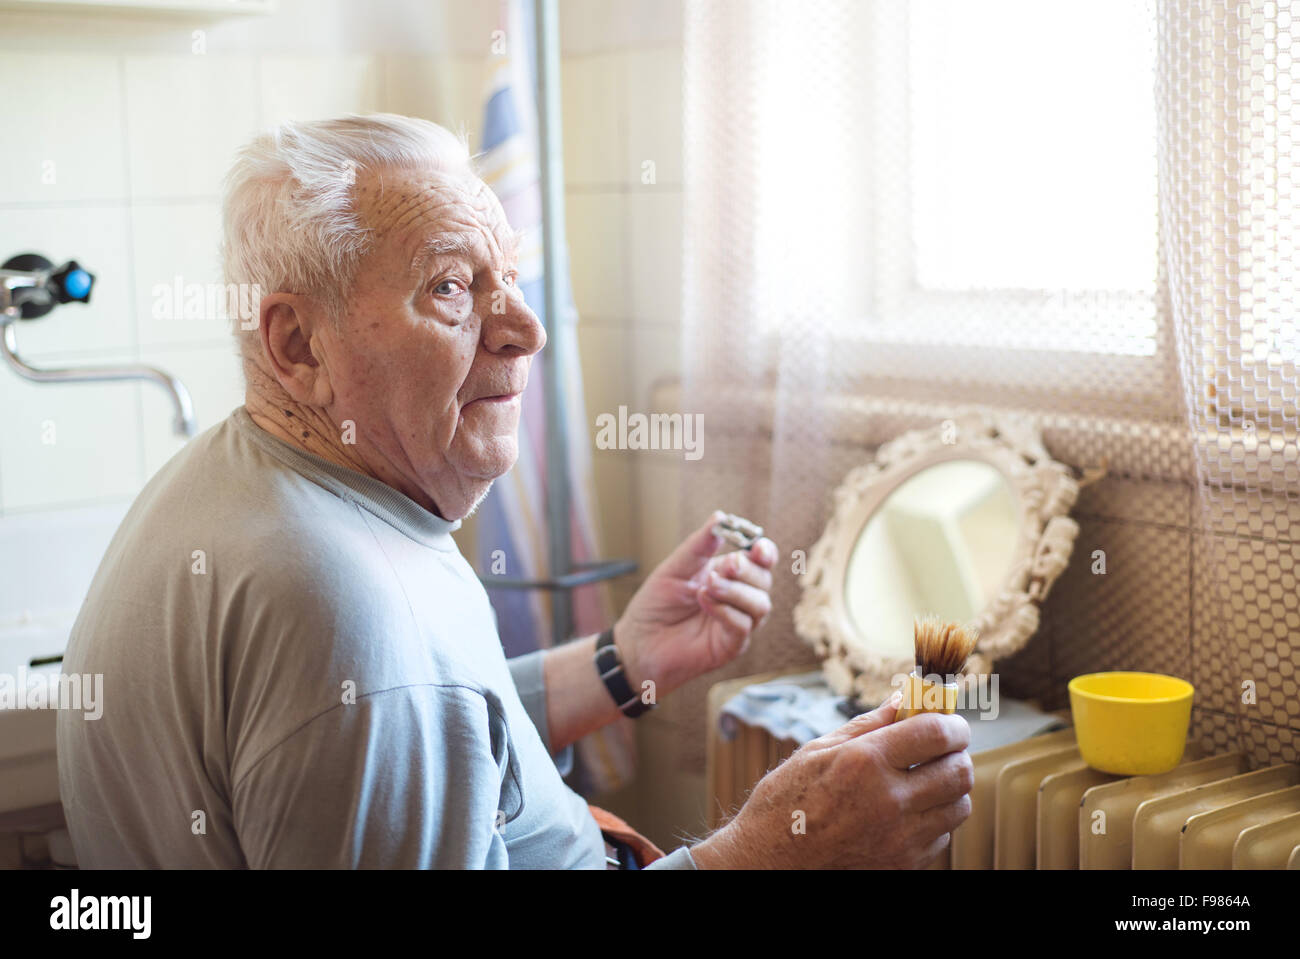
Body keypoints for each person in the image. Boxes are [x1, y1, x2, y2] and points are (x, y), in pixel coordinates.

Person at [57, 114, 971, 869]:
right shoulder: (341, 605)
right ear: (299, 345)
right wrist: (769, 853)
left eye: (512, 279)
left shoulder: (253, 486)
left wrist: (619, 661)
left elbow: (432, 739)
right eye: (452, 287)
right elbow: (390, 705)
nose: (526, 329)